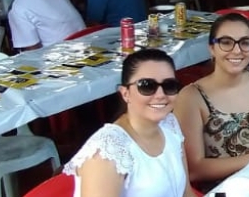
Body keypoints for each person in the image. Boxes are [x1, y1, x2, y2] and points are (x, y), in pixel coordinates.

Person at [64, 49, 197, 197]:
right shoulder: (108, 151)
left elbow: (186, 193)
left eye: (169, 85)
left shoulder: (169, 124)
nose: (160, 95)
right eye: (147, 86)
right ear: (125, 93)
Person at [174, 13, 249, 184]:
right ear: (211, 48)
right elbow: (195, 170)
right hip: (226, 187)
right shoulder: (192, 97)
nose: (237, 50)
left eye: (245, 42)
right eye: (226, 42)